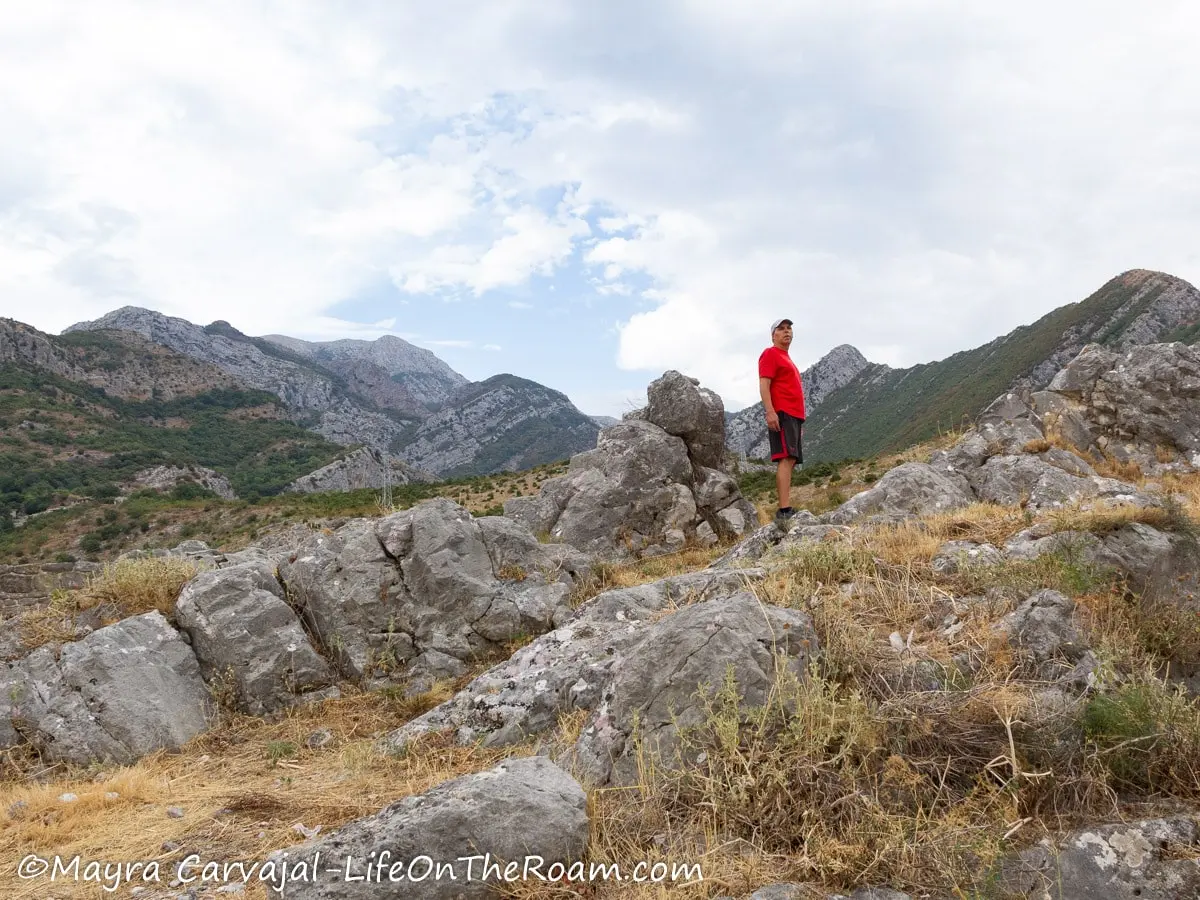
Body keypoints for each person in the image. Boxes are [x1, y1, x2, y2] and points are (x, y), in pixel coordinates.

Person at [758, 318, 806, 523]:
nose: (787, 332)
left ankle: (786, 507)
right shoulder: (770, 354)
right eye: (781, 329)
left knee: (792, 459)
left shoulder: (787, 359)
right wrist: (770, 411)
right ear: (773, 335)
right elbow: (764, 384)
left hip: (794, 416)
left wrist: (800, 422)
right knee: (786, 458)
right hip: (782, 413)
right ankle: (784, 510)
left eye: (789, 329)